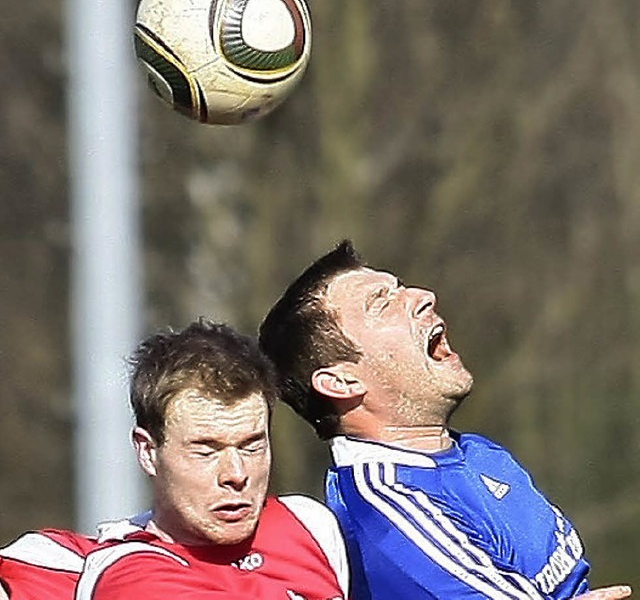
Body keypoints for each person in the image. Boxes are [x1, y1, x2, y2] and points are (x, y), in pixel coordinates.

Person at [258, 240, 632, 600]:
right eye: (382, 303)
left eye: (400, 287)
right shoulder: (388, 508)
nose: (423, 296)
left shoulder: (477, 452)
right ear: (341, 382)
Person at [0, 318, 349, 600]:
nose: (236, 474)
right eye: (206, 450)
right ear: (148, 452)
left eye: (251, 445)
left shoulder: (309, 525)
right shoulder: (126, 571)